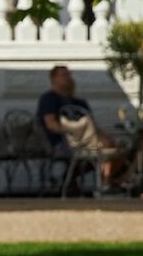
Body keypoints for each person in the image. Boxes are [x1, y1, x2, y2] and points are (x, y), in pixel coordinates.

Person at [36, 62, 129, 193]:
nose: (68, 78)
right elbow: (51, 124)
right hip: (62, 142)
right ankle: (105, 183)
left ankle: (106, 179)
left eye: (69, 75)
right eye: (64, 75)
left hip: (86, 140)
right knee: (106, 147)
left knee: (117, 147)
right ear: (53, 79)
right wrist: (73, 132)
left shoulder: (80, 103)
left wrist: (104, 136)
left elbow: (93, 126)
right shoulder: (49, 99)